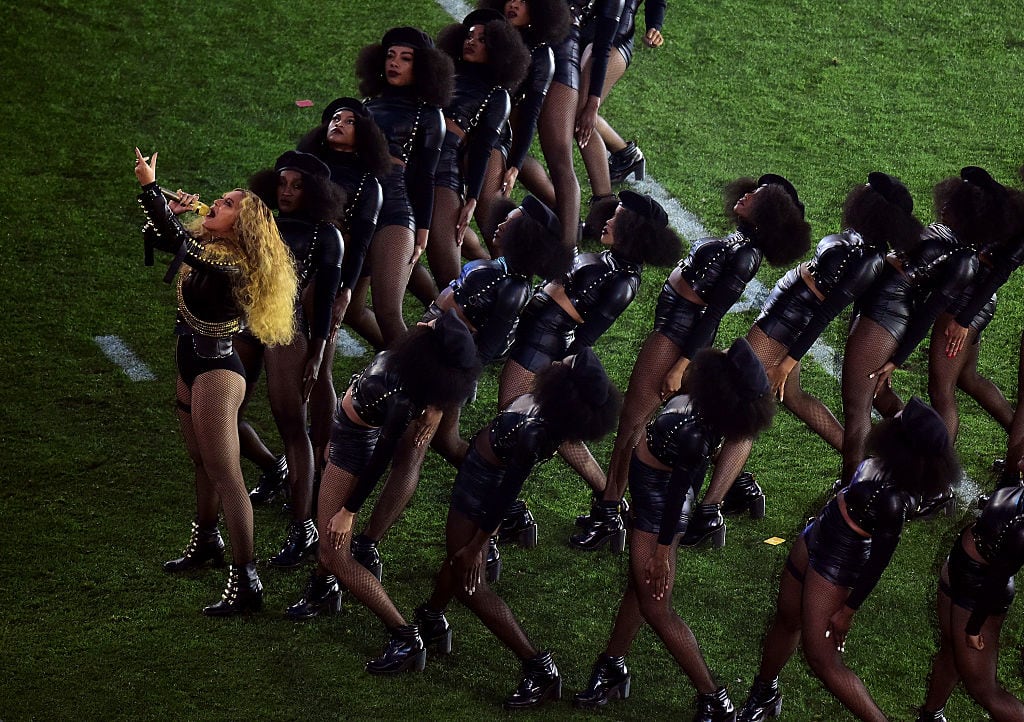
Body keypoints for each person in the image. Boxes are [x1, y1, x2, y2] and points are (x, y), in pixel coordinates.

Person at [680, 172, 923, 547]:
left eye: (868, 195)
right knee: (793, 399)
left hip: (782, 328)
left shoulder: (865, 257)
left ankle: (711, 511)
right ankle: (747, 483)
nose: (859, 193)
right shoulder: (862, 245)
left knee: (738, 408)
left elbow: (825, 313)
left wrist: (787, 361)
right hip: (781, 321)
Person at [573, 175, 810, 550]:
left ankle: (608, 516)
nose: (745, 194)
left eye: (755, 197)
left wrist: (680, 364)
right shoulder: (739, 241)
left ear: (763, 214)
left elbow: (713, 314)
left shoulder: (747, 254)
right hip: (675, 333)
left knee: (632, 427)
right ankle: (739, 488)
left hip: (676, 337)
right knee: (691, 423)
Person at [347, 197, 573, 582]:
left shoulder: (510, 287)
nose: (501, 224)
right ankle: (508, 511)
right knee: (444, 446)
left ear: (528, 238)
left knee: (409, 454)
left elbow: (482, 353)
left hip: (443, 374)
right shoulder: (500, 270)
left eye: (512, 223)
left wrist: (439, 401)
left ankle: (368, 545)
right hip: (431, 362)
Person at [574, 339, 775, 720]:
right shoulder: (704, 413)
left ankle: (714, 698)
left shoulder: (695, 432)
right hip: (656, 491)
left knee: (656, 606)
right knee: (639, 585)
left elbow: (679, 493)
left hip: (661, 506)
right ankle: (612, 667)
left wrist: (663, 552)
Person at [134, 147, 297, 615]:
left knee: (228, 476)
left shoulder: (235, 266)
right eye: (220, 200)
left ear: (241, 226)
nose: (216, 206)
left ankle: (247, 581)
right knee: (200, 462)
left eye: (226, 205)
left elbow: (178, 243)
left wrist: (151, 188)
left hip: (217, 374)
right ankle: (207, 540)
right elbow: (161, 238)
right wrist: (174, 210)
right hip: (191, 362)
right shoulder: (215, 249)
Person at [413, 348, 621, 709]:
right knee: (456, 559)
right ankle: (431, 618)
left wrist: (480, 543)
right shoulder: (553, 411)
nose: (557, 362)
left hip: (482, 489)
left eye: (565, 365)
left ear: (567, 387)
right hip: (481, 475)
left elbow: (506, 492)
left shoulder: (535, 434)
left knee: (468, 580)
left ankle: (537, 667)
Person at [736, 397, 960, 722]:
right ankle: (764, 695)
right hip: (822, 529)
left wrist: (847, 610)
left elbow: (877, 564)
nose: (894, 415)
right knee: (786, 617)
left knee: (823, 660)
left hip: (839, 560)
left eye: (901, 418)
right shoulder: (891, 460)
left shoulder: (896, 500)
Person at [286, 312, 482, 639]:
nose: (425, 323)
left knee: (333, 553)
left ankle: (404, 634)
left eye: (433, 328)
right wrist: (435, 408)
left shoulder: (401, 397)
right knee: (329, 536)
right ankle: (323, 589)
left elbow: (379, 461)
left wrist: (349, 512)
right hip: (348, 433)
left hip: (353, 447)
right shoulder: (416, 374)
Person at [497, 190, 680, 538]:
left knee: (511, 425)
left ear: (634, 230)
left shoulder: (624, 280)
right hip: (535, 342)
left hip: (541, 349)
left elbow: (585, 337)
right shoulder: (611, 260)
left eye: (618, 217)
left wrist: (556, 369)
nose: (608, 219)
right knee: (554, 432)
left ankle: (511, 513)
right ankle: (608, 507)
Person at [840, 167, 1013, 490]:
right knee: (881, 397)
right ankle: (920, 452)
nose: (944, 203)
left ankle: (878, 489)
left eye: (953, 202)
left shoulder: (962, 257)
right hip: (895, 309)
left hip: (921, 312)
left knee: (873, 402)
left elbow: (931, 305)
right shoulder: (948, 240)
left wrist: (901, 354)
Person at [243, 151, 346, 568]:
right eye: (282, 183)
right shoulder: (263, 223)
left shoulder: (327, 236)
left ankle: (303, 527)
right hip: (247, 326)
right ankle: (273, 468)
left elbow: (324, 302)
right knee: (222, 412)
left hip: (290, 333)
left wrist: (318, 350)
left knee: (291, 426)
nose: (286, 192)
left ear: (315, 191)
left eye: (297, 185)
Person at [294, 97, 392, 479]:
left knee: (318, 369)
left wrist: (345, 291)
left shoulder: (369, 184)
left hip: (330, 275)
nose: (338, 123)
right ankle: (299, 451)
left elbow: (362, 242)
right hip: (294, 269)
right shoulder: (306, 169)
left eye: (349, 121)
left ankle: (319, 458)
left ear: (363, 133)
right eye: (334, 118)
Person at [354, 27, 453, 344]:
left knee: (387, 310)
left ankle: (419, 384)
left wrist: (422, 230)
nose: (394, 63)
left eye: (405, 58)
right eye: (391, 56)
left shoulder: (429, 115)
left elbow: (425, 176)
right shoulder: (366, 104)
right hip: (358, 209)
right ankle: (393, 364)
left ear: (423, 67)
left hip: (396, 212)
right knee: (352, 310)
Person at [426, 8, 530, 288]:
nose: (471, 41)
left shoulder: (496, 94)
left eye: (482, 40)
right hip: (429, 152)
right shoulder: (446, 75)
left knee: (470, 222)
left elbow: (483, 145)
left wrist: (471, 198)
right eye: (469, 36)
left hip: (467, 151)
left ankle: (501, 283)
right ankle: (481, 270)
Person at [925, 167, 1023, 444]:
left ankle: (939, 481)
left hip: (966, 305)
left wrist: (962, 320)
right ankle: (1020, 443)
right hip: (977, 301)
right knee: (967, 378)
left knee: (941, 391)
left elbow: (1000, 271)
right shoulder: (1006, 210)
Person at [517, 0, 625, 249]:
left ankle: (567, 252)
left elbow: (602, 46)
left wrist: (592, 104)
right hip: (522, 46)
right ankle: (566, 214)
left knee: (559, 158)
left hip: (562, 53)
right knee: (507, 148)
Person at [917, 484, 1024, 722]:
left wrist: (974, 628)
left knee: (984, 690)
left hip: (979, 593)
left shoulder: (1021, 530)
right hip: (961, 570)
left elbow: (996, 581)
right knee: (951, 649)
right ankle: (930, 716)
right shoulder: (1018, 491)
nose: (1021, 462)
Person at [473, 0, 571, 247]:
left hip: (498, 129)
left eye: (525, 1)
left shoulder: (540, 54)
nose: (514, 4)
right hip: (469, 127)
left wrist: (514, 166)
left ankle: (513, 269)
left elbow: (530, 115)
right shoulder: (482, 36)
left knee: (489, 207)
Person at [578, 0, 666, 199]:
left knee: (579, 113)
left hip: (615, 36)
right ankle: (624, 154)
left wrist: (655, 26)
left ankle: (604, 200)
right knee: (568, 109)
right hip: (578, 28)